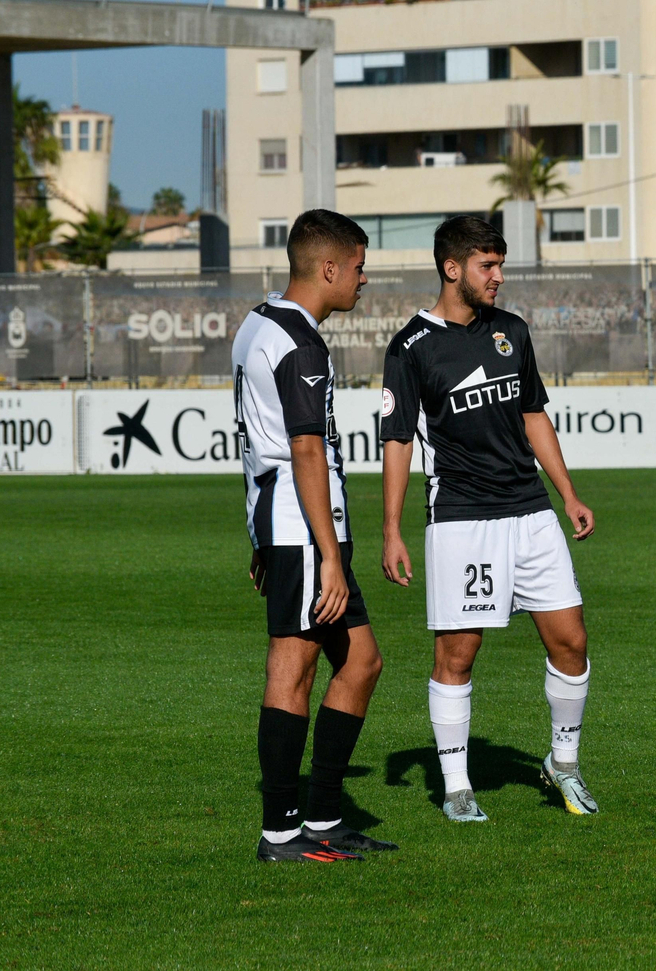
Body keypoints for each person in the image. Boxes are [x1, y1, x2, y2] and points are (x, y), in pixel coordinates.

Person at [380, 216, 599, 821]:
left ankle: (564, 764)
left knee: (571, 639)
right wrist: (393, 528)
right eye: (487, 266)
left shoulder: (513, 332)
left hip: (529, 510)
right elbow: (397, 440)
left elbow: (533, 415)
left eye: (500, 265)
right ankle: (455, 786)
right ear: (453, 268)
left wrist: (568, 494)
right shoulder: (410, 348)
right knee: (459, 652)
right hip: (461, 518)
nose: (498, 277)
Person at [234, 209, 396, 862]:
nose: (365, 279)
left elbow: (259, 438)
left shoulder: (258, 323)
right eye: (359, 267)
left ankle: (324, 818)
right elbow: (302, 449)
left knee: (361, 661)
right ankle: (280, 833)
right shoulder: (300, 341)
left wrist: (261, 535)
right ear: (328, 268)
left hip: (289, 524)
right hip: (305, 530)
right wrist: (327, 556)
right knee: (294, 665)